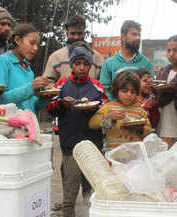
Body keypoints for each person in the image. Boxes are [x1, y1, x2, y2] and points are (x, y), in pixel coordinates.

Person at [46, 46, 108, 217]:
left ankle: (90, 213)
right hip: (70, 144)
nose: (81, 67)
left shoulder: (96, 86)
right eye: (77, 63)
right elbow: (50, 108)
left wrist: (95, 107)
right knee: (70, 186)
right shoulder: (61, 84)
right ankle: (69, 212)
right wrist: (61, 104)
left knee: (92, 187)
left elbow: (106, 106)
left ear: (90, 66)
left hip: (92, 144)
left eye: (85, 64)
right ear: (72, 65)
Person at [0, 23, 49, 113]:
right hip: (9, 124)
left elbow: (32, 107)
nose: (36, 48)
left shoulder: (28, 69)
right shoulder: (2, 62)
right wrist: (31, 87)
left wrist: (46, 98)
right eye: (32, 43)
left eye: (37, 45)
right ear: (18, 40)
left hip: (27, 124)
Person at [89, 71, 151, 151]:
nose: (129, 94)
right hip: (113, 155)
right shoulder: (109, 107)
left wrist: (139, 129)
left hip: (135, 155)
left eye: (133, 92)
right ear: (116, 90)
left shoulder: (140, 110)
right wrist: (109, 118)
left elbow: (148, 130)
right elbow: (92, 124)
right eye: (125, 90)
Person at [100, 20, 154, 101]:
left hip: (140, 111)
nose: (138, 38)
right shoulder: (109, 63)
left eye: (139, 35)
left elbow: (151, 87)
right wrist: (116, 106)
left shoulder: (146, 62)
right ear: (123, 37)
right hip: (116, 112)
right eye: (134, 34)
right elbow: (104, 90)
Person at [43, 15, 104, 81]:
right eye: (72, 33)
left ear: (84, 34)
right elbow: (47, 83)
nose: (76, 37)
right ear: (67, 34)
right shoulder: (56, 57)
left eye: (79, 33)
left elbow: (104, 84)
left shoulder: (97, 57)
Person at [156, 35, 177, 147]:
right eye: (168, 50)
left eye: (175, 50)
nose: (171, 54)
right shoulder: (162, 73)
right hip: (163, 126)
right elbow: (158, 97)